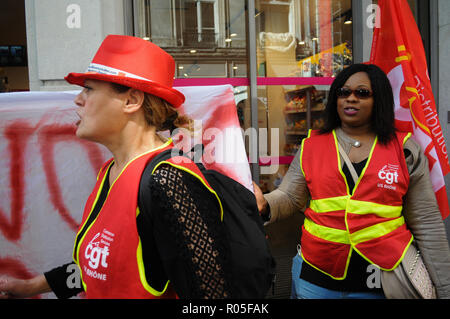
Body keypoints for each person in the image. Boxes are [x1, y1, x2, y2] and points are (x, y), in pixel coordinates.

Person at [0, 35, 231, 299]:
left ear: (131, 101)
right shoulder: (109, 172)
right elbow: (97, 270)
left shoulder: (170, 180)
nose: (78, 99)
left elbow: (214, 296)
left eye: (89, 89)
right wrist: (29, 287)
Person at [254, 63, 450, 299]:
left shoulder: (406, 150)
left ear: (380, 99)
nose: (351, 99)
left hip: (382, 283)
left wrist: (445, 288)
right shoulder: (311, 146)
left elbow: (427, 223)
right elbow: (289, 196)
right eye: (343, 92)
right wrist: (264, 203)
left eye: (362, 93)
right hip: (316, 279)